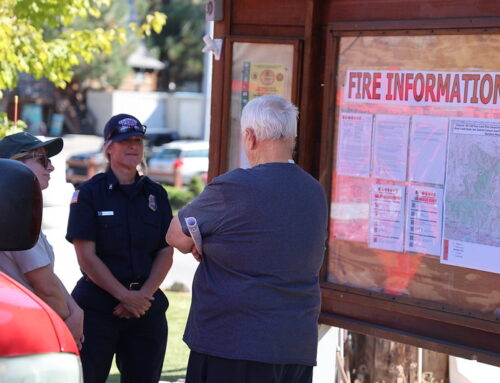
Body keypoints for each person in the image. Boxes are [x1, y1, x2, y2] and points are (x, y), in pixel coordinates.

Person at [166, 94, 328, 383]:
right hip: (294, 343)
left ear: (250, 138)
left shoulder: (235, 186)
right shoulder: (314, 190)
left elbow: (176, 235)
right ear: (291, 137)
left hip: (235, 343)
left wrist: (204, 244)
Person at [66, 114, 174, 383]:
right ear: (109, 147)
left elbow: (165, 251)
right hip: (98, 308)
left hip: (145, 309)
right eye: (125, 140)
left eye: (138, 140)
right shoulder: (89, 193)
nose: (133, 146)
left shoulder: (156, 194)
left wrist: (141, 297)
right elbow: (86, 257)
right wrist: (124, 296)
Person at [0, 132, 84, 348]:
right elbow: (45, 287)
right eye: (42, 160)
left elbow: (47, 274)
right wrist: (68, 323)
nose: (51, 168)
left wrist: (76, 310)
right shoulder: (13, 213)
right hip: (27, 335)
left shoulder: (16, 208)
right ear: (14, 166)